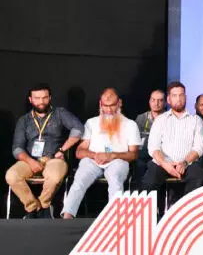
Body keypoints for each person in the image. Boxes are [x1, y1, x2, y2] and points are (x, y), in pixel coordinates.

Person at [61, 88, 141, 218]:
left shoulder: (131, 125)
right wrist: (94, 155)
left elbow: (134, 154)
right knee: (79, 179)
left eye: (112, 105)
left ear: (119, 103)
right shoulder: (91, 123)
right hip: (93, 160)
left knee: (115, 180)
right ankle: (67, 216)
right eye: (105, 106)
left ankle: (115, 219)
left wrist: (112, 155)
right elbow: (79, 152)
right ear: (100, 104)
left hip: (118, 160)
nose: (109, 110)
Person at [6, 84, 83, 218]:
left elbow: (78, 129)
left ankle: (44, 205)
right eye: (37, 98)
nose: (41, 102)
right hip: (30, 159)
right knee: (11, 175)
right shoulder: (24, 120)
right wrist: (30, 161)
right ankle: (32, 207)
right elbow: (17, 148)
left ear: (50, 98)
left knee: (54, 177)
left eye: (44, 98)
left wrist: (62, 149)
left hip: (54, 159)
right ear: (30, 99)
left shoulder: (60, 113)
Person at [140, 81, 203, 205]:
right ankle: (152, 214)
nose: (178, 99)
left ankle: (185, 211)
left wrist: (185, 162)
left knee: (198, 175)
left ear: (185, 97)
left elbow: (199, 148)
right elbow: (153, 147)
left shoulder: (196, 120)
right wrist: (165, 164)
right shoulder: (160, 120)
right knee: (149, 181)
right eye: (174, 96)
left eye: (181, 95)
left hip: (187, 163)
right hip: (163, 163)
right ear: (169, 99)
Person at [134, 89, 166, 184]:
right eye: (153, 100)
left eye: (160, 100)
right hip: (143, 154)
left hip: (162, 155)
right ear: (149, 102)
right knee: (139, 164)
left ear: (165, 103)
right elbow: (135, 139)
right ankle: (140, 191)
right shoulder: (141, 118)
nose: (156, 103)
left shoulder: (169, 118)